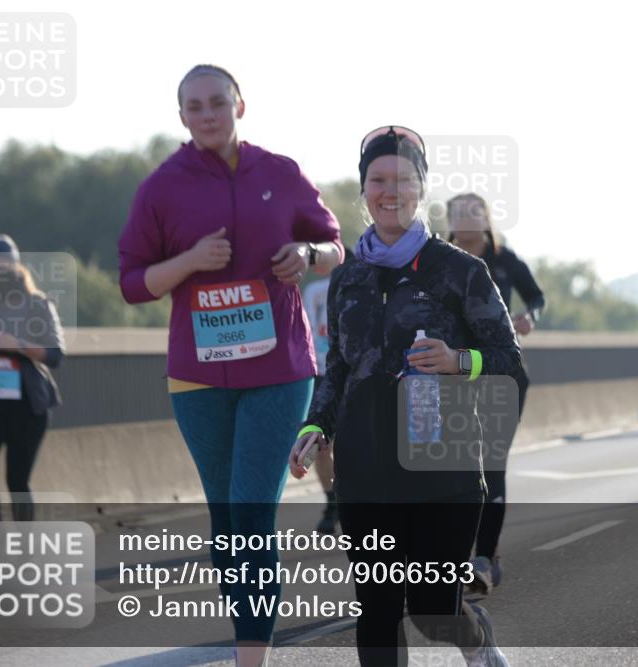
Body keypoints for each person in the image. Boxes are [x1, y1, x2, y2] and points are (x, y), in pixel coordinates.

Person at [117, 64, 342, 666]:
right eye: (195, 107)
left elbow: (333, 245)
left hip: (279, 369)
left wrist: (307, 251)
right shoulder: (162, 188)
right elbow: (133, 284)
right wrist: (189, 261)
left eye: (218, 101)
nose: (208, 114)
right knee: (227, 518)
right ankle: (249, 618)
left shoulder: (281, 172)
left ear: (241, 105)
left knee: (250, 510)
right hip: (198, 378)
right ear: (183, 117)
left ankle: (252, 656)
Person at [289, 126, 519, 666]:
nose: (389, 190)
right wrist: (312, 427)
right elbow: (339, 366)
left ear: (422, 187)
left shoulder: (460, 272)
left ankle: (476, 639)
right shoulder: (347, 279)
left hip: (445, 469)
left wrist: (460, 361)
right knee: (378, 610)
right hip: (367, 471)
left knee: (432, 610)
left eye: (403, 179)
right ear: (363, 189)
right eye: (378, 179)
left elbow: (507, 359)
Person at [447, 192, 544, 595]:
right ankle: (450, 558)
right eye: (458, 213)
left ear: (485, 219)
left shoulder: (504, 259)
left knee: (492, 462)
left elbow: (537, 296)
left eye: (474, 212)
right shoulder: (438, 258)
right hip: (452, 374)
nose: (466, 219)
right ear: (449, 220)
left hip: (503, 373)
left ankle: (484, 557)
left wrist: (530, 316)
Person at [0, 234, 65, 522]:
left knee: (17, 483)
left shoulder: (39, 303)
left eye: (2, 265)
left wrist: (19, 345)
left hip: (28, 405)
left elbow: (56, 355)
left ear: (15, 266)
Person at [301, 247, 353, 535]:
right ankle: (331, 502)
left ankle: (352, 501)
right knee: (320, 444)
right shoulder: (314, 291)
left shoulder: (360, 285)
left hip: (352, 373)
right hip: (321, 372)